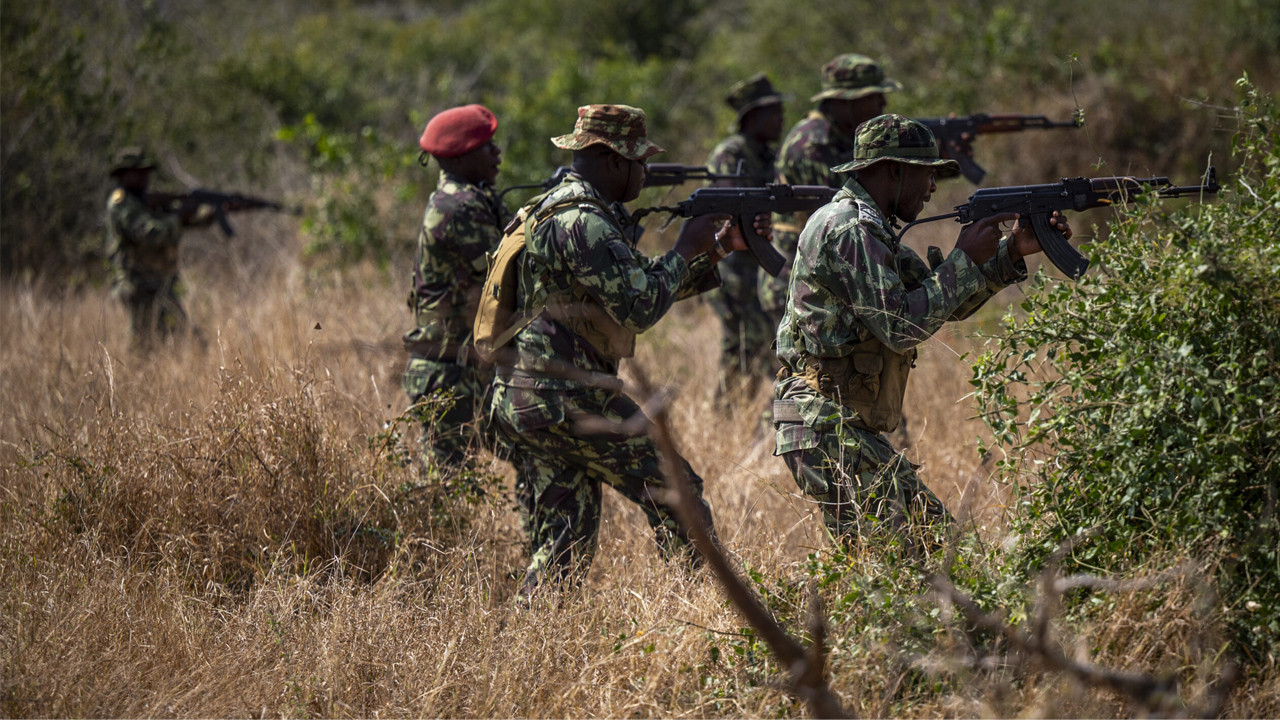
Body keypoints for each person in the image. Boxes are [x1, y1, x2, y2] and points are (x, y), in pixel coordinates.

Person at [488, 104, 767, 596]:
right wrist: (685, 249)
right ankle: (713, 609)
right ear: (614, 160)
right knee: (679, 493)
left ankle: (532, 631)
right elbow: (639, 306)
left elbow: (632, 287)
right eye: (640, 162)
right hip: (564, 396)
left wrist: (717, 249)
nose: (647, 174)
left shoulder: (561, 208)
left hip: (527, 396)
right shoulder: (585, 222)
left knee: (563, 541)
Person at [772, 114, 1071, 541]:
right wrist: (964, 260)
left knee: (903, 565)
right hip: (824, 423)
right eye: (927, 174)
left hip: (833, 423)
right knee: (936, 557)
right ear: (893, 170)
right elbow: (902, 326)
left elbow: (936, 302)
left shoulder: (871, 229)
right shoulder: (850, 228)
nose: (933, 187)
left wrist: (1009, 254)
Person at [401, 104, 518, 480]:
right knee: (443, 488)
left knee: (446, 484)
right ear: (464, 155)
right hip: (451, 373)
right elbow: (509, 276)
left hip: (459, 368)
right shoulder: (460, 207)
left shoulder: (469, 198)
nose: (497, 154)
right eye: (488, 147)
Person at [760, 54, 901, 329]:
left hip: (821, 278)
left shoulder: (838, 139)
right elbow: (839, 221)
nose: (882, 104)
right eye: (873, 96)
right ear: (846, 100)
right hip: (799, 283)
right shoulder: (813, 145)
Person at [704, 73, 786, 401]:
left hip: (754, 273)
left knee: (745, 352)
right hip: (733, 271)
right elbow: (728, 208)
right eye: (773, 112)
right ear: (752, 117)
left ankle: (729, 422)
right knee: (746, 349)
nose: (781, 120)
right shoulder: (731, 153)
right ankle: (728, 420)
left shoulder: (766, 154)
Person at [104, 147, 215, 351]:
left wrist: (209, 213)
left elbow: (180, 222)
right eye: (138, 172)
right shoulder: (122, 204)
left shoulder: (146, 202)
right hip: (138, 285)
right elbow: (151, 234)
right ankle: (129, 381)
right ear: (123, 175)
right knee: (143, 345)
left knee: (185, 340)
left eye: (146, 172)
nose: (144, 177)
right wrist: (180, 215)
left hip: (160, 284)